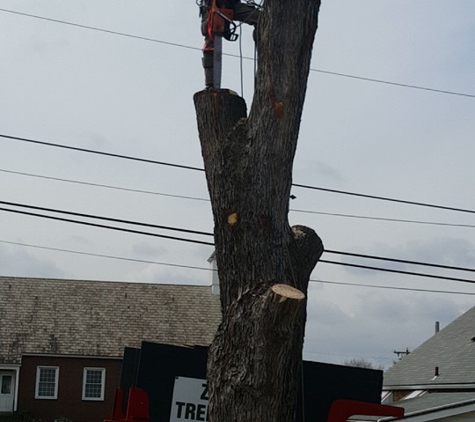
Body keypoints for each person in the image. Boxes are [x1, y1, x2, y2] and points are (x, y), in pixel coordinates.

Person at [199, 0, 260, 88]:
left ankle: (264, 57)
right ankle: (210, 85)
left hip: (231, 3)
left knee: (261, 19)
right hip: (212, 6)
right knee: (210, 39)